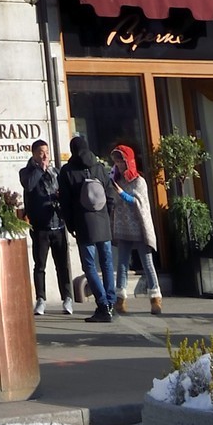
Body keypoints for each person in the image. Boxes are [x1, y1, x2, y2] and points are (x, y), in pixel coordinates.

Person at [58, 134, 117, 322]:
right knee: (107, 263)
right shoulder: (99, 167)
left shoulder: (67, 171)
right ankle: (111, 302)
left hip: (84, 224)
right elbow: (111, 195)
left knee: (89, 265)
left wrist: (71, 225)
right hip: (103, 222)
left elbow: (65, 202)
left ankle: (103, 305)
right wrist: (107, 215)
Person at [18, 140, 73, 315]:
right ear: (34, 154)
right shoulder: (26, 172)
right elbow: (29, 185)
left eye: (47, 152)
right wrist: (40, 170)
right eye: (41, 152)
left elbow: (65, 192)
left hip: (58, 224)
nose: (45, 156)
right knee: (40, 265)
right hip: (40, 227)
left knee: (62, 265)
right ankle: (41, 299)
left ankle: (67, 298)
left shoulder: (55, 172)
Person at [109, 145, 162, 314]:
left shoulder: (139, 181)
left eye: (122, 161)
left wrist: (122, 193)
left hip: (139, 227)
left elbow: (139, 203)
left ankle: (155, 298)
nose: (119, 165)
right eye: (117, 162)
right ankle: (120, 299)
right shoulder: (117, 180)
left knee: (147, 263)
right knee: (122, 264)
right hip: (123, 227)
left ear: (129, 162)